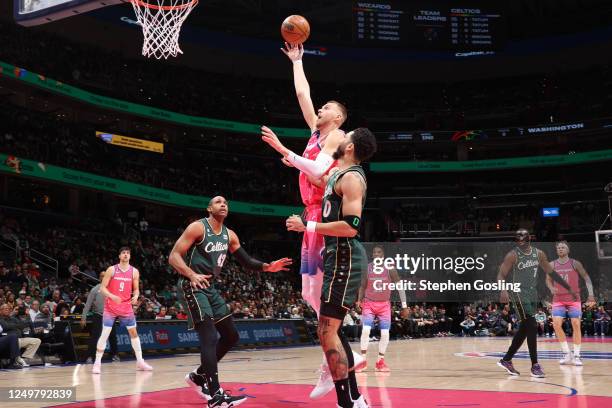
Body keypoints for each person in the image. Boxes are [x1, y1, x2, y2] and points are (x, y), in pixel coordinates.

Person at [169, 196, 291, 408]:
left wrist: (267, 267)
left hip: (210, 288)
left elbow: (246, 261)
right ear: (209, 208)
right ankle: (216, 397)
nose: (223, 204)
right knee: (209, 337)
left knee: (231, 335)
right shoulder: (198, 227)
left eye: (225, 202)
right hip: (192, 285)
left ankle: (198, 377)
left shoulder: (230, 235)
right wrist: (191, 275)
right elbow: (174, 256)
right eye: (217, 202)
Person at [286, 128, 377, 408]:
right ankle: (353, 398)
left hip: (346, 259)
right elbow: (320, 178)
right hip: (335, 258)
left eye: (344, 137)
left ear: (349, 147)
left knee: (327, 331)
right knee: (329, 332)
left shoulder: (352, 178)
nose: (338, 139)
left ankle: (345, 402)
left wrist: (308, 225)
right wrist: (293, 159)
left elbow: (351, 227)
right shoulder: (338, 173)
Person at [496, 229, 577, 378]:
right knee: (532, 325)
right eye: (518, 240)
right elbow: (501, 274)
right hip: (518, 293)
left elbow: (551, 272)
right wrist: (503, 290)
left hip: (532, 293)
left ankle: (506, 360)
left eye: (523, 240)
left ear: (529, 239)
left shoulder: (538, 254)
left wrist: (567, 286)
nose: (521, 243)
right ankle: (535, 365)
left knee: (525, 329)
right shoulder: (512, 255)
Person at [92, 247, 152, 374]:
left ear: (130, 256)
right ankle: (97, 363)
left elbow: (136, 289)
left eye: (128, 253)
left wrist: (136, 296)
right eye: (123, 253)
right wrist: (112, 296)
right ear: (119, 256)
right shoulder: (112, 269)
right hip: (111, 307)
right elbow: (102, 288)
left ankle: (140, 361)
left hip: (126, 307)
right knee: (105, 334)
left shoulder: (134, 272)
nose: (126, 255)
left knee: (134, 333)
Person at [356, 245, 408, 372]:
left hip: (384, 305)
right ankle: (363, 360)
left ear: (383, 254)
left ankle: (380, 361)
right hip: (369, 303)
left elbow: (400, 287)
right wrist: (359, 300)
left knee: (385, 333)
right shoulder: (367, 269)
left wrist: (405, 306)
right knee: (366, 330)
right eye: (374, 252)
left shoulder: (390, 269)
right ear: (372, 255)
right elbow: (362, 286)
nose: (377, 254)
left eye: (379, 252)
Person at [547, 241, 596, 366]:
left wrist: (591, 295)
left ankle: (577, 355)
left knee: (576, 324)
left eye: (563, 247)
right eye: (558, 248)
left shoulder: (575, 263)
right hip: (558, 299)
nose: (561, 249)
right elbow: (548, 280)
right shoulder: (551, 264)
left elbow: (587, 278)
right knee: (556, 325)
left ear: (568, 250)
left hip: (574, 299)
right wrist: (551, 288)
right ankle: (566, 353)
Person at [81, 271, 119, 364]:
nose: (103, 277)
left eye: (105, 276)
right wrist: (83, 318)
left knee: (112, 337)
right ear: (99, 278)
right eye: (102, 276)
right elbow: (88, 304)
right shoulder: (95, 289)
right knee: (95, 337)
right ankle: (90, 356)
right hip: (98, 315)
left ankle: (114, 355)